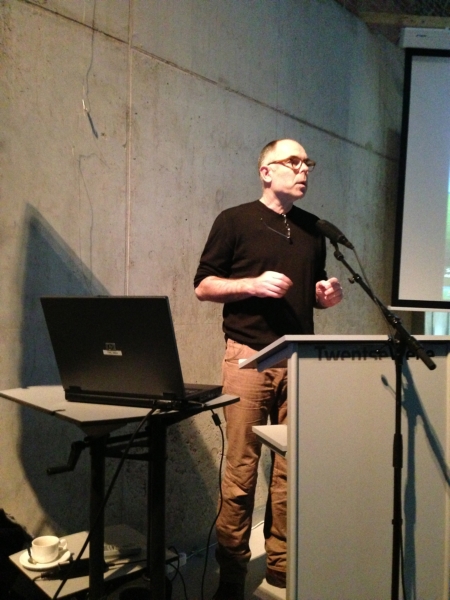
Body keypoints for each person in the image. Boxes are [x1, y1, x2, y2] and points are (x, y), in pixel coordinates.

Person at [194, 138, 343, 600]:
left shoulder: (313, 230)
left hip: (299, 360)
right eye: (293, 162)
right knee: (241, 471)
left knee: (290, 471)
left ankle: (280, 568)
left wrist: (324, 296)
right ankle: (231, 577)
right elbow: (203, 285)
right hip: (248, 357)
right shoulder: (234, 220)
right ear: (266, 171)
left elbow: (312, 291)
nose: (303, 170)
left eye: (307, 163)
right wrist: (252, 285)